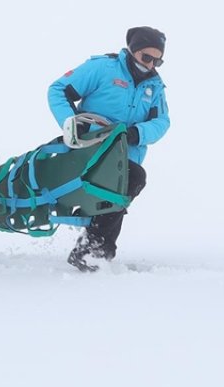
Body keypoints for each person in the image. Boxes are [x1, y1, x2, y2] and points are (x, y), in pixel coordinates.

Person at [48, 26, 171, 271]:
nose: (151, 64)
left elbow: (162, 121)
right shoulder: (103, 68)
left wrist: (138, 133)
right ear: (132, 50)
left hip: (124, 154)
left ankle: (95, 250)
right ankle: (94, 250)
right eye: (146, 57)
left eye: (158, 60)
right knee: (132, 179)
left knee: (125, 185)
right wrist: (72, 124)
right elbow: (58, 90)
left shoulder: (154, 86)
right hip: (89, 148)